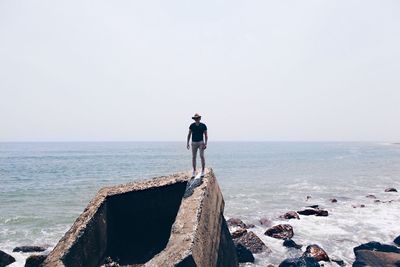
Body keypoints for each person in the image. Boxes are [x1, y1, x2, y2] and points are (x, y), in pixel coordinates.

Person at [187, 113, 208, 177]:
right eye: (195, 118)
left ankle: (203, 170)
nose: (197, 119)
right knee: (194, 157)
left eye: (198, 118)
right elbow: (189, 134)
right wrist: (187, 143)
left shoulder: (203, 125)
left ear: (199, 118)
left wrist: (206, 143)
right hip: (193, 142)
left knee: (201, 156)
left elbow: (206, 135)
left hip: (201, 142)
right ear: (194, 119)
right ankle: (194, 170)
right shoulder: (192, 125)